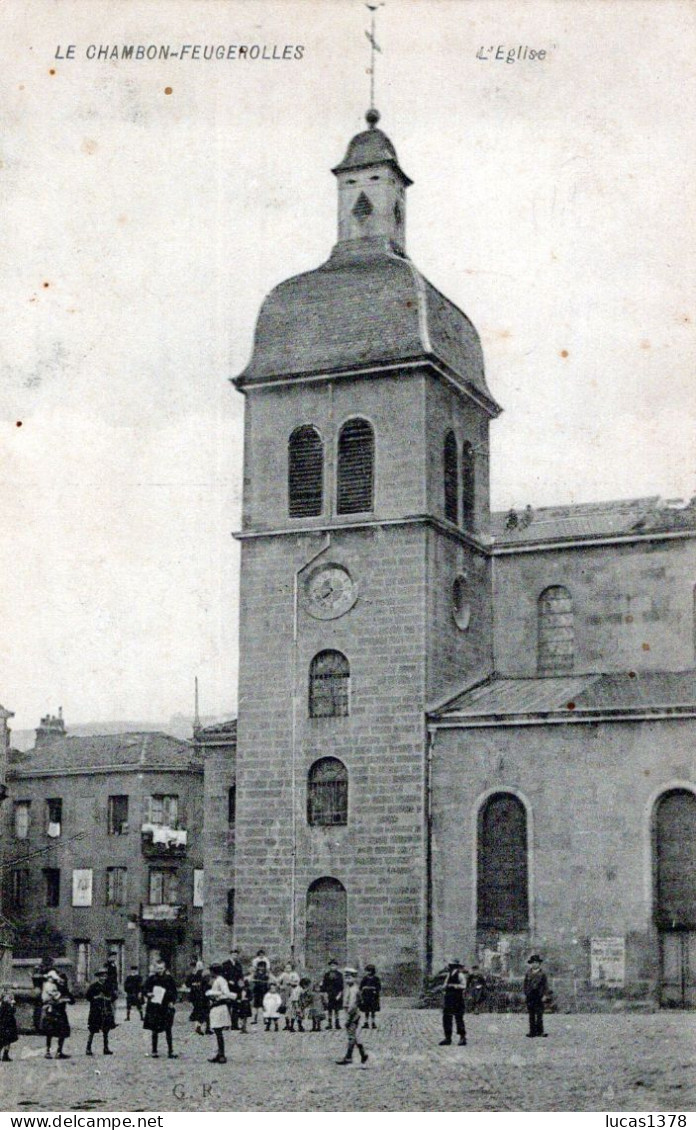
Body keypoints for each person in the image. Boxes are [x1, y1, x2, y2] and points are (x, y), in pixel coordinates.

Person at [143, 959, 178, 1059]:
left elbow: (174, 991)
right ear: (155, 969)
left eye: (161, 968)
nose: (160, 970)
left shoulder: (169, 979)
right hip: (154, 1007)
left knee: (168, 1029)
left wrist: (172, 1001)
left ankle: (170, 1051)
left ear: (164, 968)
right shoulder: (151, 979)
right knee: (154, 1029)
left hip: (166, 1006)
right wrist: (148, 993)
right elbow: (145, 989)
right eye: (158, 968)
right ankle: (154, 1051)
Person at [336, 968, 368, 1066]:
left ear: (354, 978)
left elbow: (353, 1005)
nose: (347, 980)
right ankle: (363, 1054)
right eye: (346, 978)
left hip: (353, 1014)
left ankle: (349, 1057)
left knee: (351, 1036)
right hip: (349, 1013)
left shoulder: (354, 990)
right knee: (353, 1036)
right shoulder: (348, 988)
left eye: (349, 978)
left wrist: (349, 1018)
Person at [41, 969, 73, 1059]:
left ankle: (59, 1051)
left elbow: (72, 1000)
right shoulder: (54, 986)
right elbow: (48, 997)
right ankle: (48, 1051)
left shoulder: (64, 989)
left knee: (62, 1032)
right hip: (53, 1011)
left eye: (63, 980)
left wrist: (67, 999)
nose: (62, 982)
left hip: (61, 1012)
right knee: (50, 1032)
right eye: (60, 980)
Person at [85, 967, 117, 1056]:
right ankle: (88, 1048)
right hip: (96, 1010)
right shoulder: (93, 986)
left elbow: (114, 996)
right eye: (101, 976)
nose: (103, 978)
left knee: (106, 1030)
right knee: (92, 1029)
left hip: (106, 1010)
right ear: (98, 977)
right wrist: (95, 997)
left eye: (104, 976)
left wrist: (108, 998)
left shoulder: (109, 986)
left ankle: (106, 1048)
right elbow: (88, 996)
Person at [205, 963, 231, 1063]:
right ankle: (218, 1053)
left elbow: (226, 994)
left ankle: (222, 1054)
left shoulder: (221, 981)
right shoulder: (216, 980)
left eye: (211, 971)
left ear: (214, 971)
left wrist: (215, 997)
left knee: (218, 1031)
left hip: (220, 1007)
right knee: (216, 1031)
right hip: (216, 1007)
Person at [439, 959, 467, 1046]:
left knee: (459, 1018)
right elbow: (445, 984)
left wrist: (454, 986)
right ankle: (448, 1038)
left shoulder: (460, 975)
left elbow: (464, 985)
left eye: (452, 966)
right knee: (447, 1017)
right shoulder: (449, 975)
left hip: (457, 999)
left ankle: (462, 1037)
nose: (450, 967)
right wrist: (444, 987)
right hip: (448, 999)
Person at [524, 954, 549, 1038]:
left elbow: (545, 985)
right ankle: (532, 1032)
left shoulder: (543, 974)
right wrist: (526, 993)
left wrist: (545, 995)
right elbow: (525, 984)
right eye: (533, 963)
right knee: (531, 1014)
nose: (534, 964)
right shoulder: (528, 973)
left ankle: (540, 1031)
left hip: (539, 995)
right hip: (530, 996)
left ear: (539, 964)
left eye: (536, 963)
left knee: (539, 1014)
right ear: (531, 964)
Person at [186, 960, 210, 1036]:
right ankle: (202, 1027)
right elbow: (188, 984)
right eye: (198, 965)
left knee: (201, 1011)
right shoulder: (199, 975)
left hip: (199, 996)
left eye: (201, 965)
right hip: (199, 996)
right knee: (203, 1011)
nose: (199, 967)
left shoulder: (201, 974)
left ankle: (203, 1027)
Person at [321, 959, 344, 1029]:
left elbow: (341, 986)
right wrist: (325, 994)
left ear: (337, 966)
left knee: (337, 1010)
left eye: (334, 966)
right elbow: (324, 985)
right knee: (329, 1010)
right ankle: (329, 1023)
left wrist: (340, 994)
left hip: (337, 994)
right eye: (331, 966)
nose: (333, 967)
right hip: (329, 994)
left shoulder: (340, 975)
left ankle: (337, 1023)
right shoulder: (326, 975)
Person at [360, 964, 381, 1029]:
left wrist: (375, 990)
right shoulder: (365, 978)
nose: (368, 972)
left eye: (369, 971)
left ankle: (373, 1022)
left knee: (373, 1010)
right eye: (367, 971)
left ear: (372, 971)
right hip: (366, 996)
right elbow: (361, 986)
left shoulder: (376, 979)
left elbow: (379, 987)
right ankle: (366, 1022)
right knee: (366, 1010)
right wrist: (364, 989)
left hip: (373, 997)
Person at [250, 956, 270, 1025]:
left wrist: (265, 982)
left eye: (263, 967)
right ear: (258, 967)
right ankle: (254, 1019)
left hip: (264, 991)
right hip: (257, 991)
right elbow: (252, 980)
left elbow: (269, 981)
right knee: (256, 1006)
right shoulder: (255, 974)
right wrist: (257, 980)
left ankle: (265, 1019)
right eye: (260, 966)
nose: (261, 968)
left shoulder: (266, 974)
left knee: (264, 1005)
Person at [0, 988, 19, 1061]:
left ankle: (5, 1055)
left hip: (6, 1025)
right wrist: (11, 1005)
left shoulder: (3, 1005)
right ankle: (5, 1055)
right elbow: (11, 1012)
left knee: (3, 1041)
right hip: (7, 1025)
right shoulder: (6, 1005)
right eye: (10, 998)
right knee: (7, 1041)